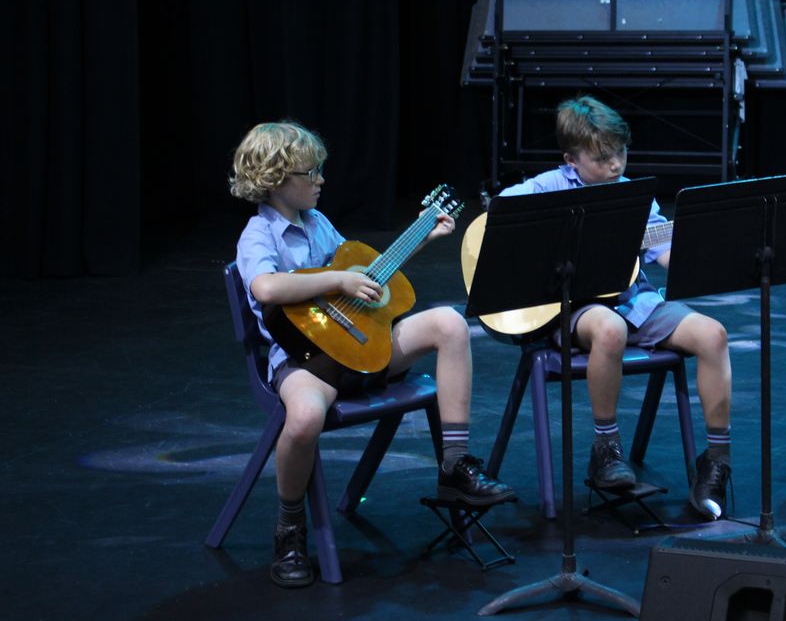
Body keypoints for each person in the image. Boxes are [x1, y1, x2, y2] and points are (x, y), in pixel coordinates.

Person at [230, 121, 513, 588]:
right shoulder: (259, 234)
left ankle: (455, 464)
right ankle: (290, 526)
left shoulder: (318, 223)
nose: (321, 179)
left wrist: (422, 237)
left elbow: (368, 275)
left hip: (360, 349)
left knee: (449, 323)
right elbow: (265, 287)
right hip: (304, 362)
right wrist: (337, 280)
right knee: (303, 418)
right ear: (277, 178)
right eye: (311, 172)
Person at [497, 96, 734, 521]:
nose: (615, 164)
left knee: (712, 334)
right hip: (573, 308)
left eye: (621, 152)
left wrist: (703, 245)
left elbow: (665, 252)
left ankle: (716, 460)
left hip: (634, 301)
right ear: (571, 159)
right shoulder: (549, 187)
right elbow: (501, 211)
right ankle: (606, 449)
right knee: (610, 330)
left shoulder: (635, 196)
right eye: (602, 157)